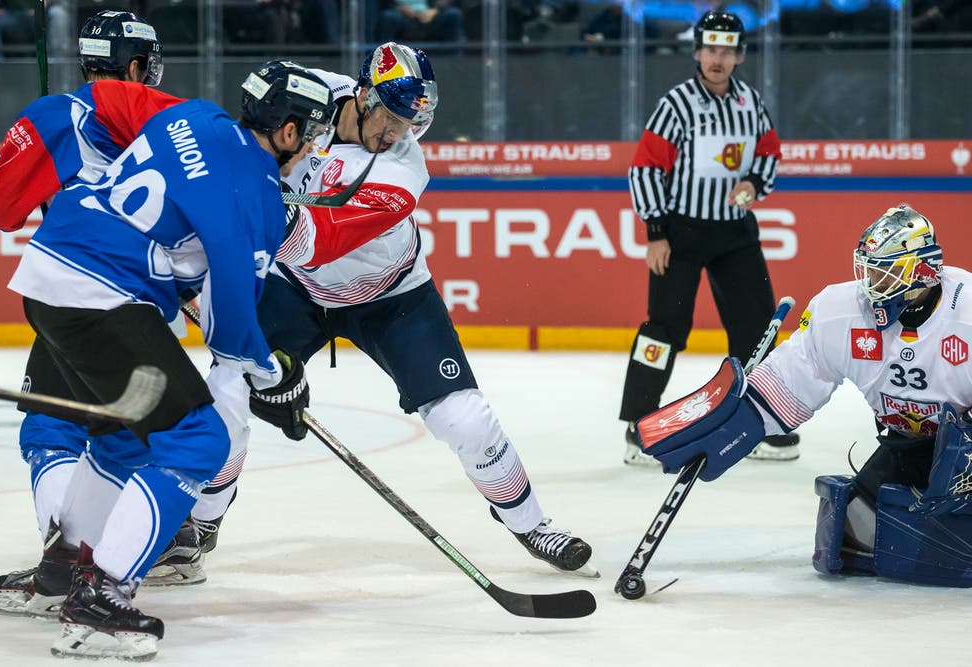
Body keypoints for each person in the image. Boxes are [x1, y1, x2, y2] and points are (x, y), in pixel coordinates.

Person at [199, 41, 597, 578]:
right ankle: (199, 524)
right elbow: (255, 108)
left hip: (391, 295)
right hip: (297, 289)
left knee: (466, 419)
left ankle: (531, 523)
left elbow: (315, 242)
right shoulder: (313, 93)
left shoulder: (402, 173)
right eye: (389, 117)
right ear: (362, 96)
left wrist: (244, 203)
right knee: (228, 390)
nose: (396, 134)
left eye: (410, 124)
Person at [0, 60, 338, 659]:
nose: (312, 149)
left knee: (123, 440)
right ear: (286, 132)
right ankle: (102, 602)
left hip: (51, 277)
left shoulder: (193, 115)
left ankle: (59, 575)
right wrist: (274, 375)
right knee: (199, 442)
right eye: (309, 135)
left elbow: (179, 231)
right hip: (101, 296)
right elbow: (232, 327)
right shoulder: (254, 191)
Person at [0, 9, 190, 619]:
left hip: (80, 300)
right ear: (133, 66)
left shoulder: (61, 117)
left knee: (56, 432)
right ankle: (94, 562)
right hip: (154, 301)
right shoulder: (172, 124)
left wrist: (42, 156)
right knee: (132, 439)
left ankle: (84, 569)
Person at [637, 205, 972, 587]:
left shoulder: (968, 314)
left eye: (886, 271)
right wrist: (730, 425)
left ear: (922, 271)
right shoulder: (840, 313)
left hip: (966, 451)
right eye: (869, 269)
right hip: (906, 445)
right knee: (848, 538)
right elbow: (787, 382)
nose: (872, 282)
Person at [618, 9, 797, 467]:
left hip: (734, 231)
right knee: (664, 329)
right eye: (710, 49)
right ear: (698, 51)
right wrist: (655, 231)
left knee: (757, 328)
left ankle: (762, 420)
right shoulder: (676, 104)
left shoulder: (749, 102)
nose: (718, 58)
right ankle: (640, 424)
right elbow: (645, 167)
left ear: (739, 55)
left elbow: (769, 153)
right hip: (680, 232)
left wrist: (754, 185)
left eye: (727, 50)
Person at [376, 0, 464, 43]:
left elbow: (443, 3)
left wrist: (435, 10)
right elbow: (386, 3)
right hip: (403, 17)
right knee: (388, 16)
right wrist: (401, 9)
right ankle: (385, 63)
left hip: (430, 17)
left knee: (454, 14)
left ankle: (457, 59)